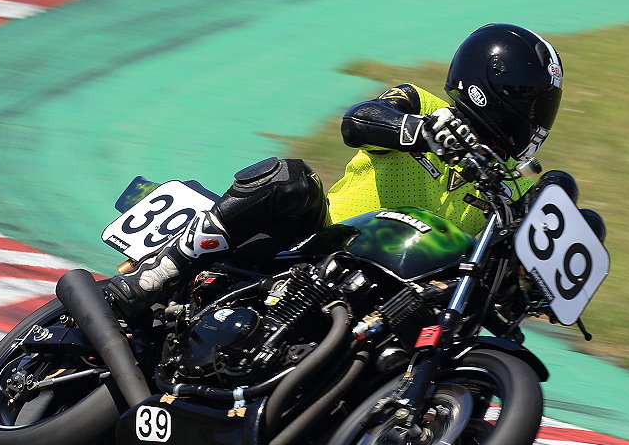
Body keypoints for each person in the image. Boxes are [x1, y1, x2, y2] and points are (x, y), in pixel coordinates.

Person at [108, 23, 583, 315]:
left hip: (392, 299)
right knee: (291, 178)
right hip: (316, 244)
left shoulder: (507, 191)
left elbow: (496, 291)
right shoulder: (422, 104)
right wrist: (419, 131)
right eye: (534, 103)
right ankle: (168, 268)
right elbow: (358, 121)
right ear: (493, 91)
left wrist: (534, 277)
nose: (539, 118)